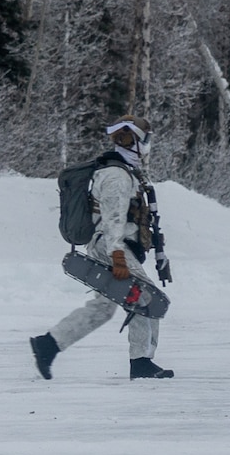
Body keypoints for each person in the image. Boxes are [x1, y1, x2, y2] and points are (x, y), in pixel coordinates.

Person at [30, 116, 173, 380]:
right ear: (135, 141)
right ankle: (141, 361)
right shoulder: (116, 175)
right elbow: (113, 218)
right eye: (147, 139)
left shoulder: (124, 171)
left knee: (103, 308)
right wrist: (117, 255)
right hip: (111, 247)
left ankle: (48, 345)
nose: (149, 145)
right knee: (145, 299)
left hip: (111, 245)